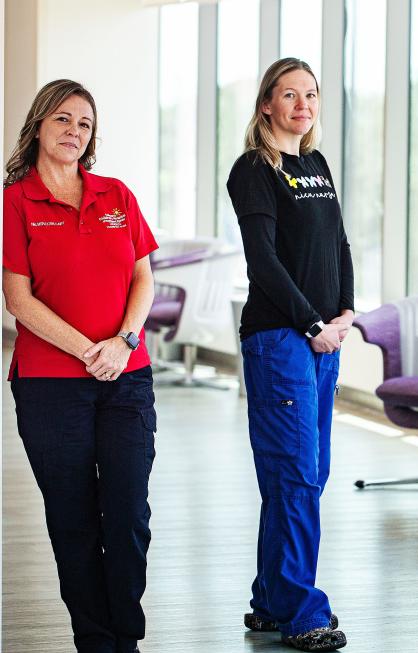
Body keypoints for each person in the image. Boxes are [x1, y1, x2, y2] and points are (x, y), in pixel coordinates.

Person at [2, 79, 158, 653]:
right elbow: (18, 299)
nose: (74, 131)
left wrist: (121, 341)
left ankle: (127, 638)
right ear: (39, 124)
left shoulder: (116, 194)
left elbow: (143, 276)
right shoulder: (15, 201)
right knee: (72, 518)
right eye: (63, 119)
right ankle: (93, 640)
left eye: (85, 124)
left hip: (127, 378)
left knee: (127, 514)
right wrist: (88, 350)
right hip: (50, 387)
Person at [227, 57, 352, 652]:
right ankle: (304, 611)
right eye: (289, 95)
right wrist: (310, 322)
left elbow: (339, 243)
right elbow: (264, 261)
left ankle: (270, 597)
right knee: (297, 475)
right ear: (266, 106)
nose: (303, 104)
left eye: (311, 94)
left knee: (304, 476)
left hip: (324, 338)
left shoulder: (317, 164)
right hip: (281, 339)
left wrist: (346, 308)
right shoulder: (254, 170)